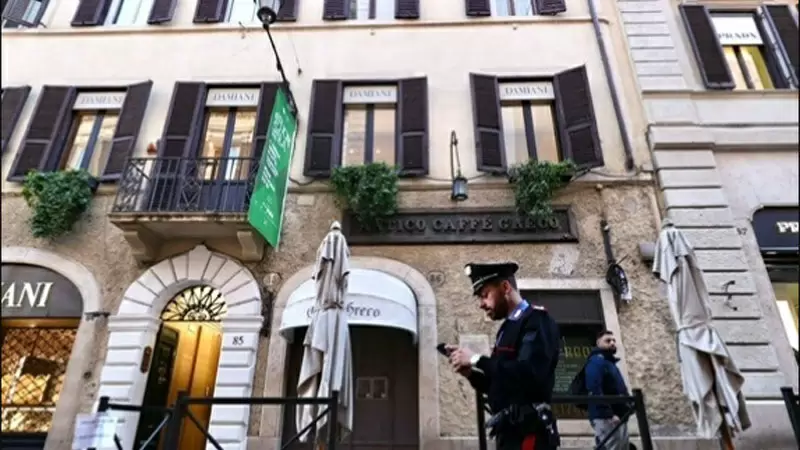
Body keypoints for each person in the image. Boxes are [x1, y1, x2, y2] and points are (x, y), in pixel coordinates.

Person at [447, 261, 561, 450]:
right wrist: (471, 374)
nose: (481, 304)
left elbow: (530, 373)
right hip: (509, 432)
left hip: (530, 432)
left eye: (485, 295)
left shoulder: (536, 320)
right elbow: (501, 383)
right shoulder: (506, 328)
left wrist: (476, 359)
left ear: (505, 287)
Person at [585, 330, 631, 450]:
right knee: (611, 446)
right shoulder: (596, 361)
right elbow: (594, 388)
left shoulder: (609, 362)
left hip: (619, 416)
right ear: (598, 342)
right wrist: (609, 414)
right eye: (608, 340)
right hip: (606, 417)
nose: (612, 343)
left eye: (613, 340)